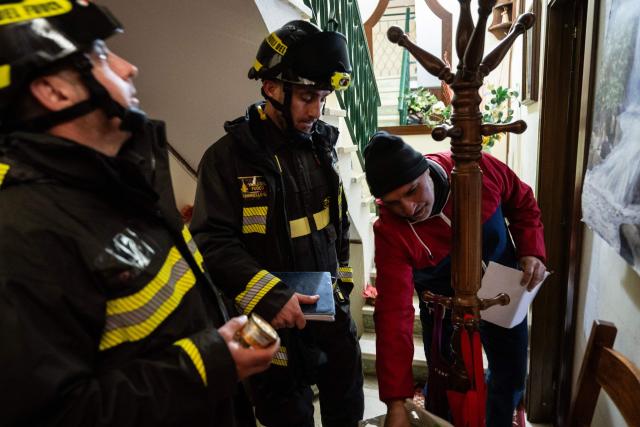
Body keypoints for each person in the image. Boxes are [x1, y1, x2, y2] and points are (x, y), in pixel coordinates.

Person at [0, 2, 278, 425]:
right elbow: (56, 415)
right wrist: (207, 364)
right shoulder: (21, 235)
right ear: (55, 91)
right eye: (99, 56)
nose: (128, 67)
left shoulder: (125, 181)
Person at [190, 20, 364, 427]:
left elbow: (334, 226)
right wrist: (270, 296)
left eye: (323, 98)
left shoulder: (322, 146)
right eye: (306, 97)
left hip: (328, 317)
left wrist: (342, 290)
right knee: (287, 417)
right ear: (271, 88)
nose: (316, 111)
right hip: (266, 323)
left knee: (346, 410)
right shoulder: (228, 158)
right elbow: (213, 241)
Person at [363, 131, 547, 427]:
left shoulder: (480, 170)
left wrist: (532, 251)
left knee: (510, 372)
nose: (408, 210)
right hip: (443, 307)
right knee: (447, 382)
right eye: (394, 203)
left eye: (412, 191)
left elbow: (522, 202)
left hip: (502, 287)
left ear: (425, 169)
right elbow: (393, 315)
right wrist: (396, 400)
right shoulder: (389, 230)